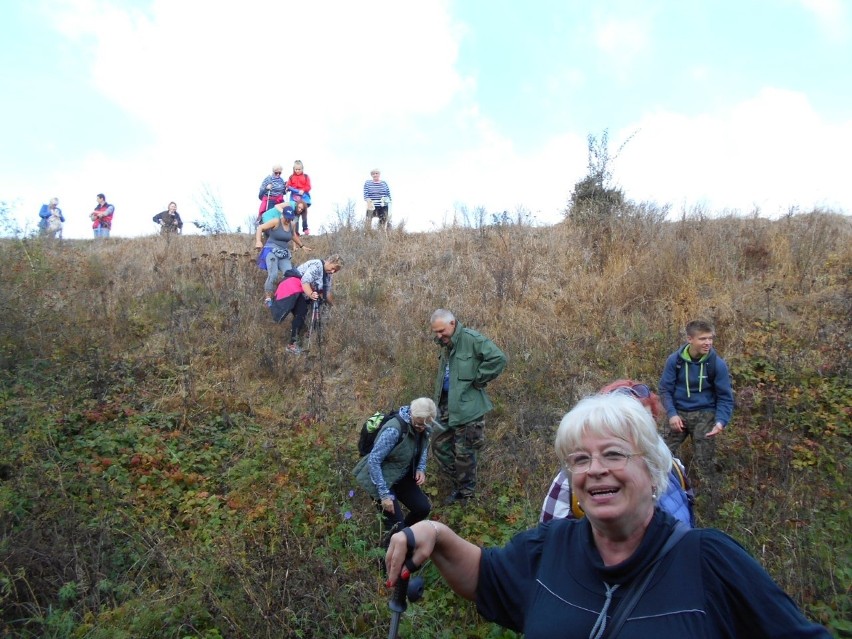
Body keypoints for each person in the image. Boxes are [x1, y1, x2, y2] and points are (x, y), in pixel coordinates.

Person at [385, 393, 831, 638]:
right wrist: (438, 533)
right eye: (580, 460)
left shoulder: (708, 561)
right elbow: (488, 578)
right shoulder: (551, 546)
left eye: (613, 454)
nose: (595, 469)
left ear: (653, 470)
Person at [541, 380, 694, 528]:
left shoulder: (675, 469)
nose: (595, 469)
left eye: (645, 419)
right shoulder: (572, 479)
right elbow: (551, 541)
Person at [430, 309, 507, 504]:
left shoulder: (472, 339)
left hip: (468, 407)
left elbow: (498, 359)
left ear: (453, 323)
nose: (439, 336)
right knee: (438, 445)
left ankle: (466, 495)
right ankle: (458, 484)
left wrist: (478, 380)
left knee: (464, 452)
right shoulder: (446, 343)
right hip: (445, 404)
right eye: (435, 332)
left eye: (441, 331)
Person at [659, 319, 734, 512]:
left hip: (705, 414)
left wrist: (720, 422)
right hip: (679, 413)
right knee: (660, 454)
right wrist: (672, 414)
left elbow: (725, 397)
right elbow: (665, 390)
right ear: (690, 339)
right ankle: (663, 494)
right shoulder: (674, 361)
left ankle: (710, 505)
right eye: (703, 339)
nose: (708, 343)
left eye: (710, 338)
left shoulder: (717, 364)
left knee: (705, 463)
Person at [353, 398, 437, 543]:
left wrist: (420, 468)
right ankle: (386, 560)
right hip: (381, 478)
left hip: (400, 475)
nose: (422, 428)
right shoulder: (393, 430)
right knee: (396, 527)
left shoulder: (423, 426)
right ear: (411, 414)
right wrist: (384, 495)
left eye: (426, 424)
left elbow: (423, 446)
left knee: (422, 509)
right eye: (418, 424)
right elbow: (374, 461)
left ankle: (403, 539)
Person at [269, 254, 344, 355]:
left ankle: (304, 333)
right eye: (333, 268)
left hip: (303, 290)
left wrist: (334, 306)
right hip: (293, 287)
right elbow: (305, 281)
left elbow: (326, 292)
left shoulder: (328, 274)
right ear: (329, 261)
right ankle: (292, 345)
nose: (333, 271)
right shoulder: (317, 265)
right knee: (301, 312)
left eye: (336, 271)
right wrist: (311, 294)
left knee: (310, 309)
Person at [255, 203, 311, 307]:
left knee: (290, 274)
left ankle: (284, 297)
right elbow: (260, 228)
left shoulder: (292, 224)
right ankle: (268, 298)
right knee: (273, 274)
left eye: (290, 218)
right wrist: (258, 241)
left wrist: (302, 246)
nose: (288, 220)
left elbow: (293, 236)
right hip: (271, 250)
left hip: (284, 253)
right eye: (286, 218)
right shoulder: (276, 221)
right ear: (283, 215)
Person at [285, 160, 312, 234]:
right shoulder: (291, 177)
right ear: (293, 168)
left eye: (299, 169)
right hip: (294, 198)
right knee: (295, 215)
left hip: (303, 197)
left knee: (303, 212)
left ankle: (305, 228)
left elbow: (309, 186)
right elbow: (288, 185)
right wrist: (287, 189)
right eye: (296, 169)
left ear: (302, 168)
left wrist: (303, 190)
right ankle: (295, 231)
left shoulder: (306, 176)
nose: (297, 171)